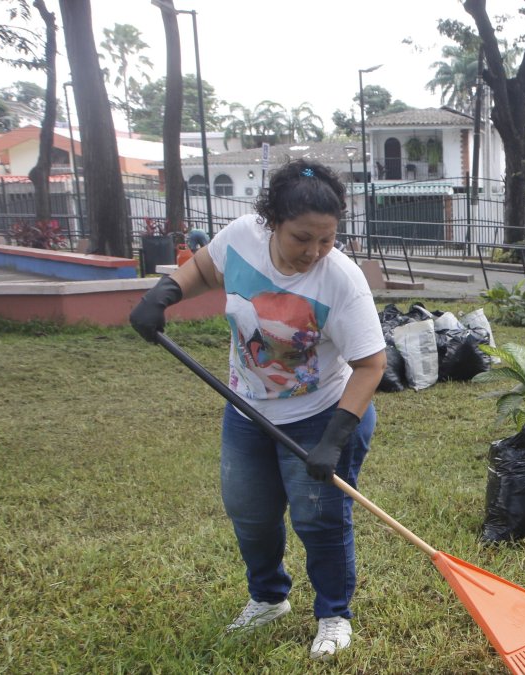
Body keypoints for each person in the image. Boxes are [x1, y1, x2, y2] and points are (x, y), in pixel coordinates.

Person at [129, 158, 387, 660]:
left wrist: (334, 439)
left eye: (326, 239)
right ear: (272, 222)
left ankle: (333, 614)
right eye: (301, 238)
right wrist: (163, 294)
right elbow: (205, 267)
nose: (314, 251)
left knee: (319, 520)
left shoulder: (341, 281)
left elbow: (371, 365)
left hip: (323, 414)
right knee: (250, 512)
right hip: (247, 409)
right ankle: (269, 599)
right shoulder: (243, 236)